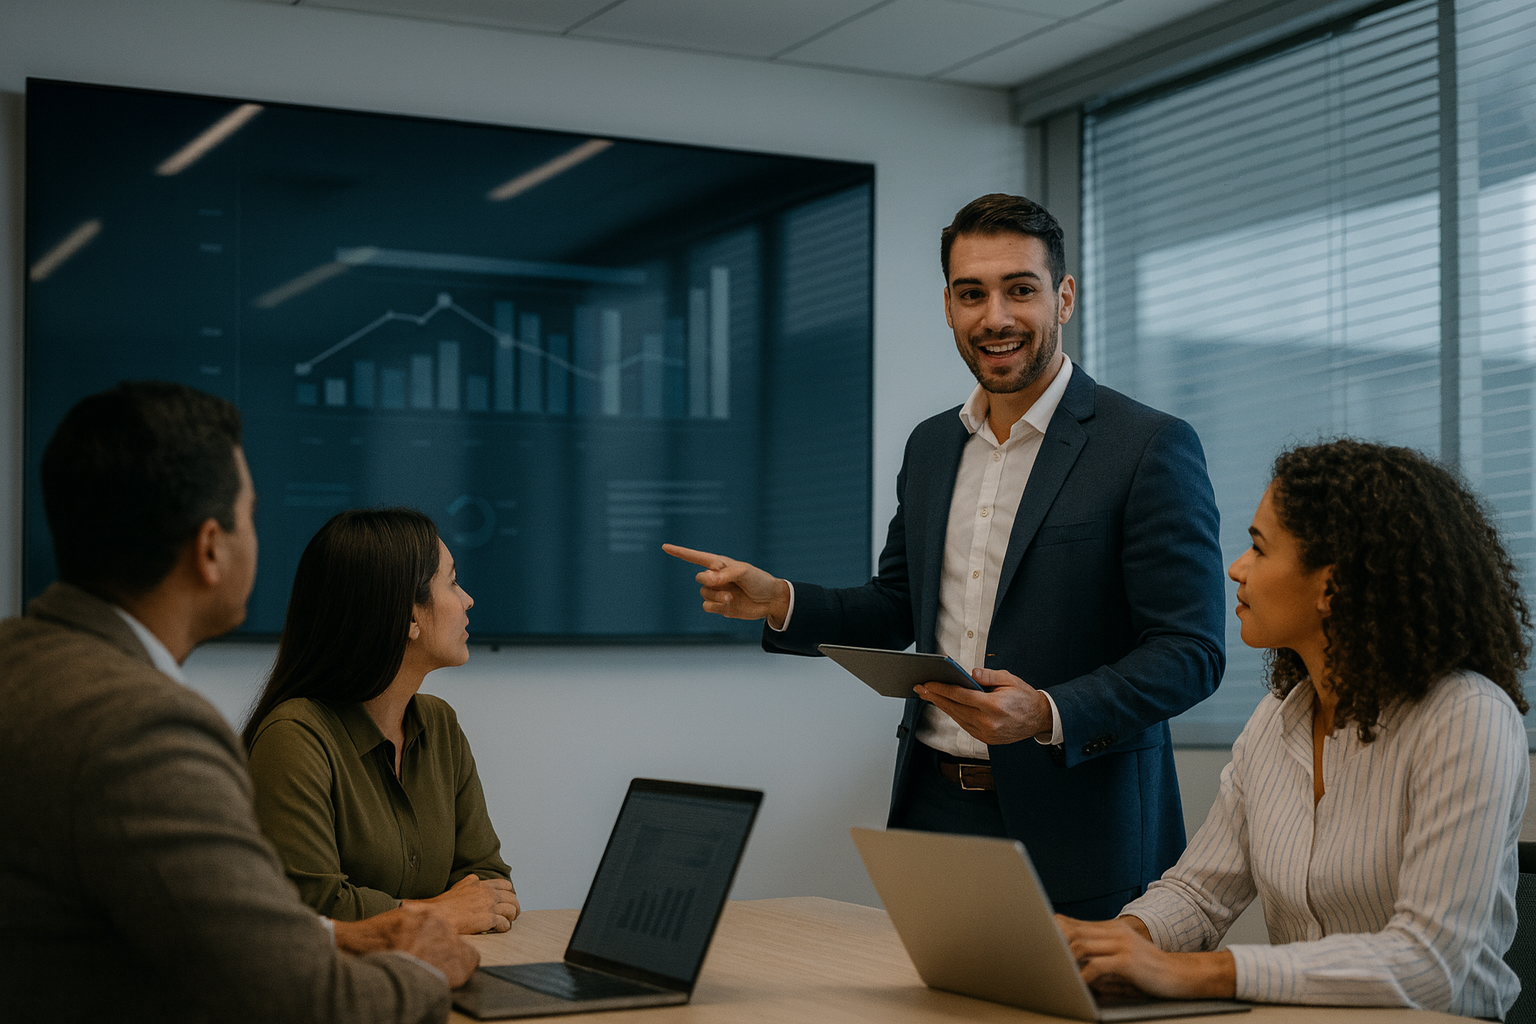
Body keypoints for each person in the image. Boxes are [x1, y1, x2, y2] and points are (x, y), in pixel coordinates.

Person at [664, 193, 1227, 918]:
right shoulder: (932, 446)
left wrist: (1048, 711)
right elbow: (895, 606)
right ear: (948, 306)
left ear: (1064, 297)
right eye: (972, 294)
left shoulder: (1147, 446)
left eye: (1019, 290)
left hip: (1082, 827)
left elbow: (1190, 650)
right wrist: (780, 601)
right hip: (934, 811)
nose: (994, 317)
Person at [0, 381, 479, 1023]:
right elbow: (298, 1002)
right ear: (209, 549)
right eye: (249, 514)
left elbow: (186, 920)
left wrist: (337, 935)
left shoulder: (22, 661)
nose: (256, 536)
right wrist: (423, 967)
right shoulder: (143, 730)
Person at [1058, 439, 1531, 1019]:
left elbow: (1426, 962)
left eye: (1258, 548)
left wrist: (1208, 973)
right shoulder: (1276, 719)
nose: (1237, 567)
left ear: (1331, 586)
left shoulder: (1467, 717)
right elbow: (1199, 895)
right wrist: (1106, 945)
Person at [242, 508, 518, 933]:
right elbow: (310, 906)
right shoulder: (293, 737)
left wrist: (440, 908)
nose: (468, 600)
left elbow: (489, 882)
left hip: (435, 972)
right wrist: (441, 911)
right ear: (409, 616)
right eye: (452, 581)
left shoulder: (440, 725)